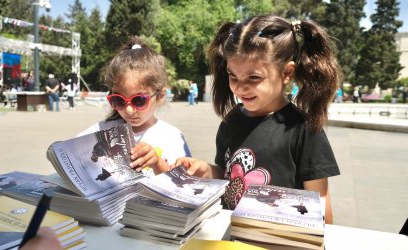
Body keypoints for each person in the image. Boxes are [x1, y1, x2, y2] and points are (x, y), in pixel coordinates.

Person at [173, 15, 341, 224]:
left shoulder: (303, 129)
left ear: (287, 73)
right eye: (232, 76)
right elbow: (230, 175)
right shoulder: (232, 120)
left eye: (254, 78)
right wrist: (207, 171)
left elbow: (321, 201)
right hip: (231, 235)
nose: (240, 87)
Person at [78, 37, 191, 175]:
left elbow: (182, 183)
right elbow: (72, 149)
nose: (129, 110)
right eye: (119, 100)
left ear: (160, 96)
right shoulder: (101, 129)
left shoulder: (171, 136)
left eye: (138, 100)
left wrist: (158, 163)